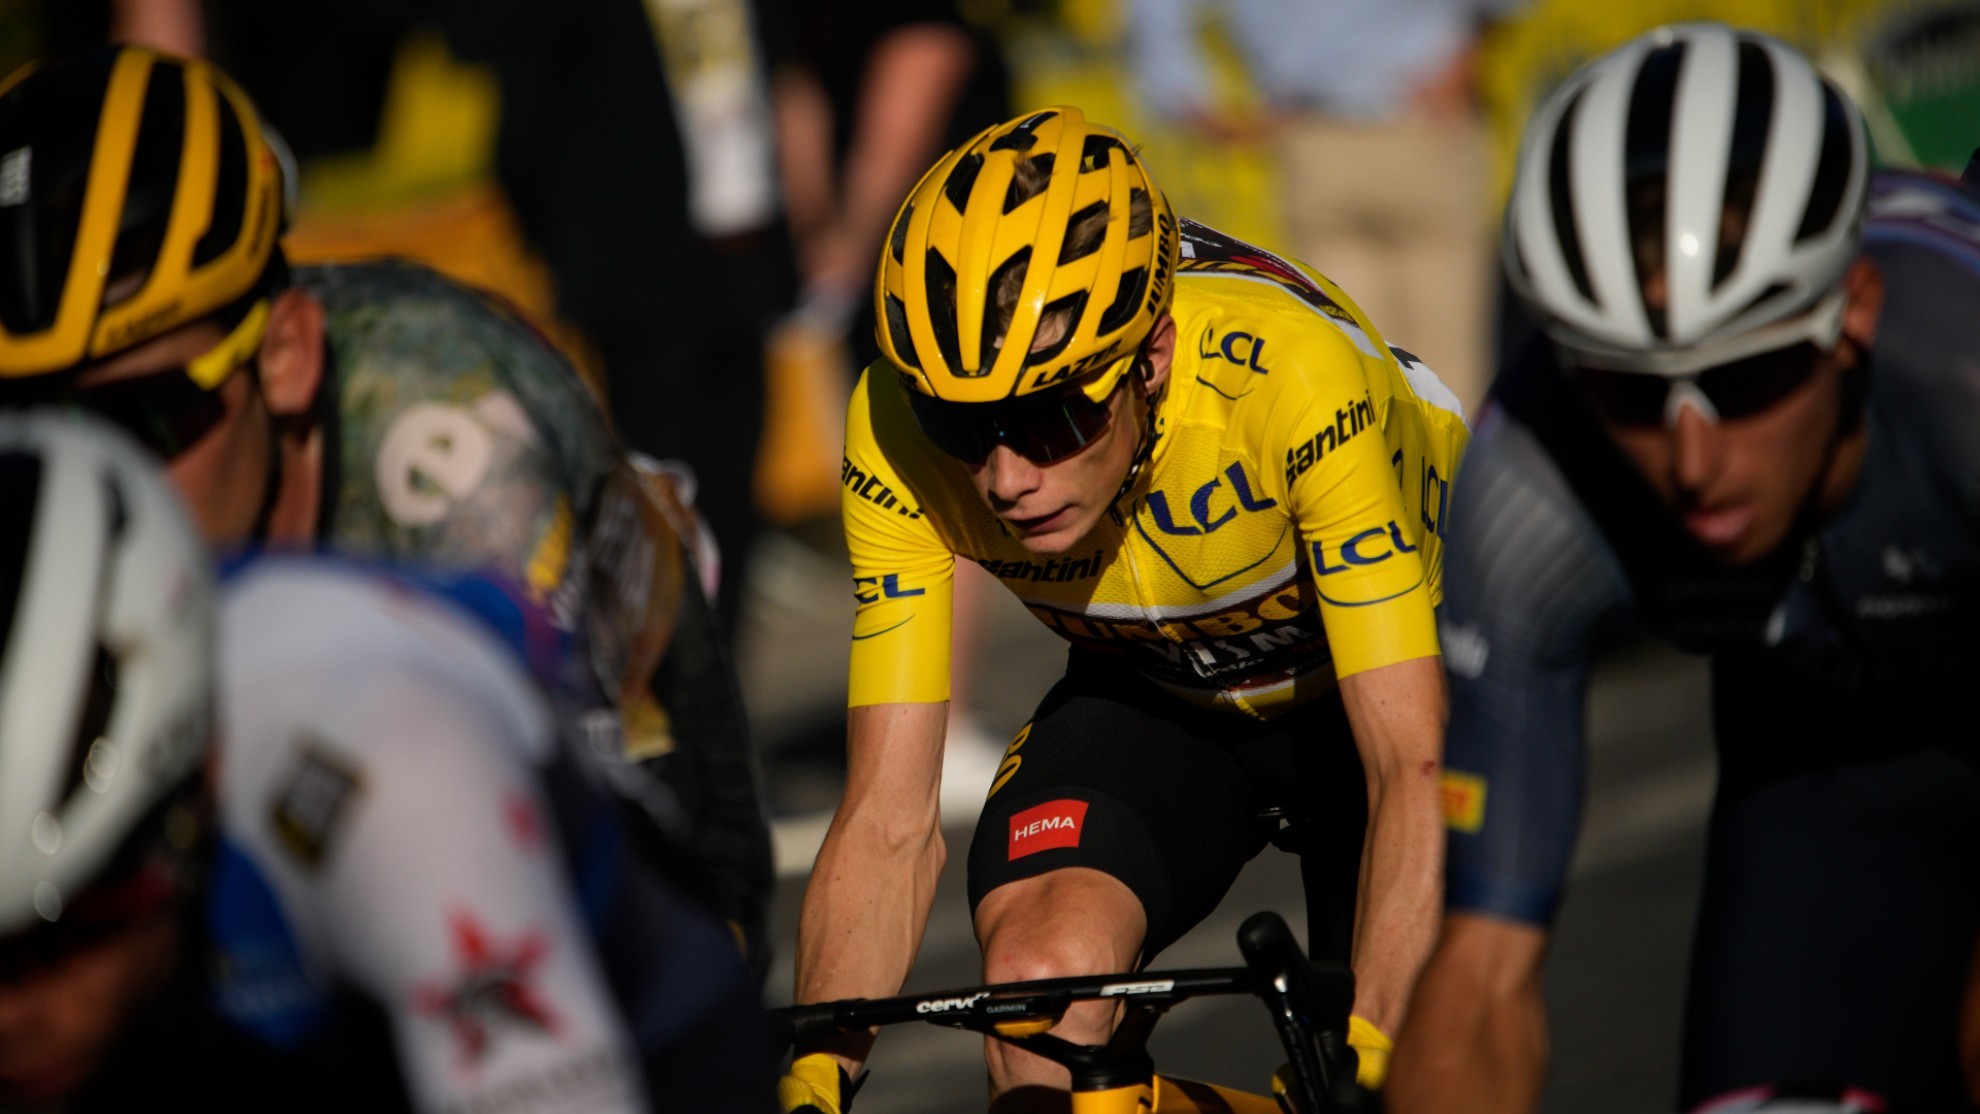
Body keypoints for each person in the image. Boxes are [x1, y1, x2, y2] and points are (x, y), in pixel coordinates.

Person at [0, 46, 774, 975]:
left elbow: (571, 898)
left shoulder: (455, 457)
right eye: (31, 426)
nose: (93, 477)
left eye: (147, 417)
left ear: (284, 357)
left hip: (632, 723)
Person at [781, 106, 1469, 1111]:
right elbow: (888, 815)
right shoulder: (891, 433)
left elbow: (1410, 763)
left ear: (1150, 358)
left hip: (1381, 696)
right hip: (1158, 688)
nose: (1005, 477)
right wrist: (817, 1074)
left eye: (1050, 417)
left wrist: (1368, 1048)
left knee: (1400, 1079)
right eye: (961, 426)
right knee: (1035, 994)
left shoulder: (1293, 384)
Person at [1386, 23, 1980, 1113]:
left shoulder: (1962, 377)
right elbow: (1480, 981)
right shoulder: (1531, 485)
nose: (1694, 459)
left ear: (1851, 316)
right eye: (1629, 389)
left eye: (1747, 376)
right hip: (1827, 770)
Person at [0, 410, 775, 1111]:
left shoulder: (393, 766)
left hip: (633, 1044)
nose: (13, 1012)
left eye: (65, 935)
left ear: (194, 779)